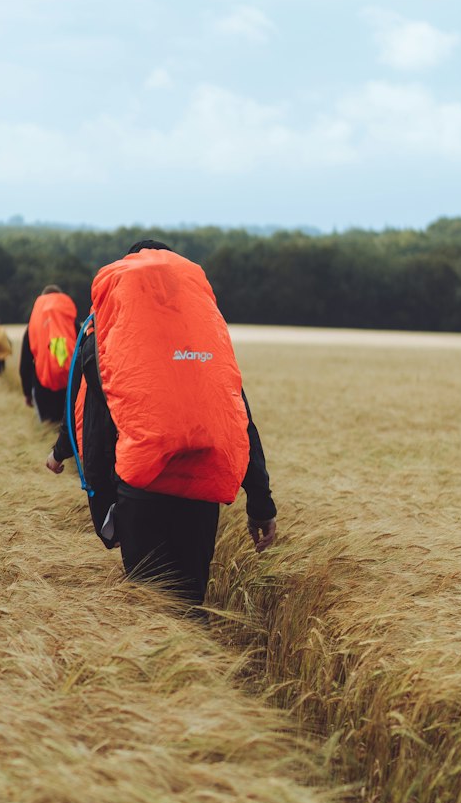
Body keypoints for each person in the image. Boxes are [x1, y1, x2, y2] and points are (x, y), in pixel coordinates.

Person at [46, 241, 276, 605]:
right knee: (189, 601)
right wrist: (261, 504)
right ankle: (199, 661)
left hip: (142, 487)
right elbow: (237, 417)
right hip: (202, 485)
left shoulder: (109, 331)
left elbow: (95, 420)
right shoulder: (204, 338)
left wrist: (103, 508)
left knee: (150, 605)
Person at [20, 284, 79, 424]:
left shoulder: (31, 328)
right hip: (71, 384)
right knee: (69, 428)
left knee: (49, 429)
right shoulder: (72, 323)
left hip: (42, 385)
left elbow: (25, 364)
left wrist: (27, 393)